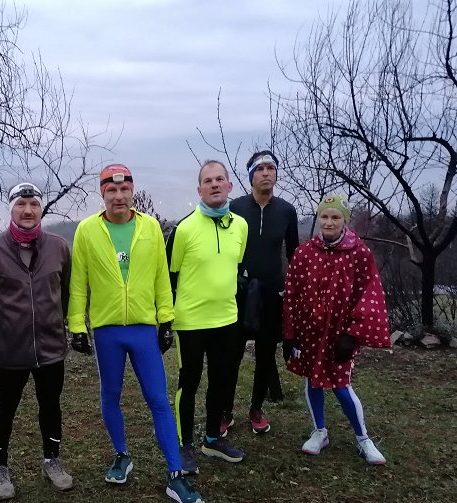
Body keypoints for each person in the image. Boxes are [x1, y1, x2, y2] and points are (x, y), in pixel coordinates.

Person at [67, 163, 204, 503]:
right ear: (103, 194)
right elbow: (78, 281)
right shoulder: (87, 230)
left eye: (124, 189)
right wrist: (77, 325)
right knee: (110, 394)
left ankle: (175, 474)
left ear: (132, 191)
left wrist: (166, 319)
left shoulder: (150, 227)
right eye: (111, 190)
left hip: (143, 328)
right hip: (107, 330)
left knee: (158, 399)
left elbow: (161, 276)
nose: (119, 196)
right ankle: (121, 455)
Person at [0, 182, 74, 500]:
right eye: (21, 204)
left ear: (40, 209)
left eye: (33, 204)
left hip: (50, 348)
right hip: (10, 349)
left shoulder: (59, 247)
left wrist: (54, 320)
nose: (28, 210)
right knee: (5, 407)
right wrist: (4, 324)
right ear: (11, 209)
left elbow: (65, 292)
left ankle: (52, 460)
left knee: (51, 405)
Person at [282, 195, 390, 464]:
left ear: (345, 220)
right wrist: (290, 334)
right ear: (318, 218)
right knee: (312, 380)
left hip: (341, 334)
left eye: (335, 217)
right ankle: (319, 431)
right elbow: (292, 294)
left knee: (341, 385)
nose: (329, 222)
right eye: (324, 216)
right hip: (309, 330)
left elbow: (369, 294)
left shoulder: (359, 253)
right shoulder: (304, 253)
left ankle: (363, 439)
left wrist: (352, 334)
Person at [166, 160, 249, 475]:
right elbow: (169, 276)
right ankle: (184, 444)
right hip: (190, 321)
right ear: (199, 189)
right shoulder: (184, 229)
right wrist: (166, 318)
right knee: (189, 383)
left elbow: (236, 265)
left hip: (226, 318)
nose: (214, 184)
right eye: (208, 181)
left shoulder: (240, 226)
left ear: (229, 185)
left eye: (220, 179)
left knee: (221, 380)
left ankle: (213, 439)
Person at [228, 150, 299, 435]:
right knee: (231, 353)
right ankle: (225, 411)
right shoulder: (235, 207)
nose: (266, 173)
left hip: (272, 291)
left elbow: (294, 255)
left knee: (266, 353)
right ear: (251, 176)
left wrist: (294, 291)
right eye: (260, 169)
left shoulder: (286, 211)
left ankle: (256, 408)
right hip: (240, 290)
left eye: (271, 168)